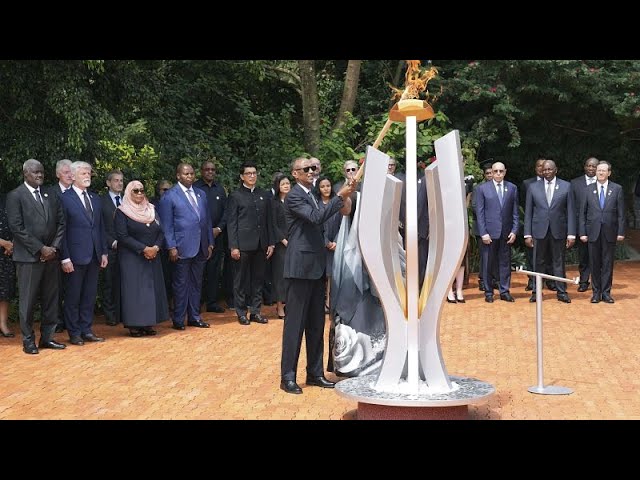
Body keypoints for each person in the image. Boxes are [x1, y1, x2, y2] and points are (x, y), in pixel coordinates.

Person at [280, 157, 353, 394]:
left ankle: (315, 373)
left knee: (315, 324)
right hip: (299, 268)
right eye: (306, 169)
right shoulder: (294, 196)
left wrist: (345, 194)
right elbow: (315, 217)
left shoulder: (311, 194)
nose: (312, 172)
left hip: (316, 268)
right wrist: (339, 195)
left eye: (314, 168)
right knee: (294, 326)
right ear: (295, 174)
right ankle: (288, 377)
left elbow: (325, 216)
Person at [6, 159, 66, 353]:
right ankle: (28, 340)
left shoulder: (51, 194)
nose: (39, 175)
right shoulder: (16, 195)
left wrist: (53, 248)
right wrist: (41, 249)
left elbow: (61, 223)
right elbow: (17, 228)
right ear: (25, 174)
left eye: (41, 172)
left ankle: (47, 338)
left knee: (51, 300)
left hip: (51, 257)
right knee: (28, 301)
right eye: (35, 173)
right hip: (28, 258)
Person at [158, 163, 214, 330]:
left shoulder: (201, 194)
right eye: (186, 173)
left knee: (196, 283)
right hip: (181, 247)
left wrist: (210, 242)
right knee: (181, 284)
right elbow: (166, 225)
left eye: (191, 173)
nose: (190, 176)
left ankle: (194, 317)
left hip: (201, 245)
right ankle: (178, 318)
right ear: (178, 176)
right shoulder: (170, 196)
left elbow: (207, 220)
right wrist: (171, 247)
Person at [60, 161, 108, 345]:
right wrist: (65, 257)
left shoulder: (95, 198)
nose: (87, 176)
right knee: (73, 296)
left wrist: (103, 252)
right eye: (83, 173)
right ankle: (74, 332)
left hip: (94, 255)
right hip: (74, 256)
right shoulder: (64, 198)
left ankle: (86, 329)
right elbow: (62, 231)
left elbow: (100, 227)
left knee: (89, 295)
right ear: (72, 176)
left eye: (89, 173)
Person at [115, 181, 169, 335]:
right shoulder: (122, 212)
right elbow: (122, 236)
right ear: (128, 193)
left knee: (150, 290)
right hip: (132, 257)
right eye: (135, 191)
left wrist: (156, 248)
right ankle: (134, 325)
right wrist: (143, 249)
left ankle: (148, 323)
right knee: (135, 291)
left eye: (141, 191)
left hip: (152, 256)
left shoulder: (151, 209)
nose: (139, 194)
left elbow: (161, 231)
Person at [226, 162, 275, 325]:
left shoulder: (264, 195)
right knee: (240, 280)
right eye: (248, 173)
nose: (252, 176)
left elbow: (269, 220)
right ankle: (241, 312)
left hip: (261, 243)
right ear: (242, 177)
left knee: (258, 279)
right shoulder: (235, 196)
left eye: (254, 173)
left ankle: (255, 311)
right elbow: (232, 222)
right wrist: (233, 246)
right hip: (242, 244)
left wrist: (271, 243)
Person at [524, 159, 575, 303]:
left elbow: (571, 211)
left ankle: (561, 292)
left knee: (558, 262)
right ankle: (536, 291)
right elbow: (528, 212)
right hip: (538, 230)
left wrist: (571, 234)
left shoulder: (566, 186)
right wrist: (527, 233)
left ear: (555, 170)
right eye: (544, 169)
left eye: (549, 169)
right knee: (537, 262)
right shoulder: (533, 187)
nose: (546, 172)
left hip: (558, 230)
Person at [579, 161, 625, 303]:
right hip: (592, 232)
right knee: (594, 263)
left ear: (609, 173)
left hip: (610, 232)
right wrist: (582, 232)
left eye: (603, 171)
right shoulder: (588, 189)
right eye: (599, 170)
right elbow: (582, 213)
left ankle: (606, 293)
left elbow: (621, 214)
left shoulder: (617, 189)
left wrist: (621, 232)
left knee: (607, 263)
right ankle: (595, 292)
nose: (600, 173)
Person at [474, 161, 519, 303]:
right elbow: (479, 213)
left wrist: (514, 230)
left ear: (505, 172)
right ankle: (488, 292)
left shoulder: (512, 188)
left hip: (506, 233)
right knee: (488, 263)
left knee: (505, 263)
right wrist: (483, 233)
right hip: (489, 233)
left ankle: (504, 291)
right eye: (495, 171)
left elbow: (515, 212)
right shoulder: (482, 189)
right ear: (491, 173)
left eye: (501, 171)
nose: (498, 174)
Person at [193, 160, 228, 313]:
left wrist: (219, 228)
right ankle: (197, 302)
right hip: (199, 237)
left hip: (217, 235)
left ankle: (212, 302)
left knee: (214, 270)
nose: (210, 172)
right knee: (199, 270)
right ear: (201, 171)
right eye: (207, 169)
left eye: (213, 169)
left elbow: (226, 212)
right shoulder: (194, 188)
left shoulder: (220, 189)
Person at [45, 159, 73, 333]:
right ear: (57, 175)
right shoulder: (50, 193)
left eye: (72, 172)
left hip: (76, 247)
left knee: (73, 288)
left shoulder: (80, 193)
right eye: (66, 172)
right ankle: (56, 321)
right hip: (55, 247)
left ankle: (71, 320)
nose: (70, 175)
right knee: (55, 289)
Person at [570, 157, 599, 292]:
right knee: (584, 256)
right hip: (582, 226)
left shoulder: (603, 182)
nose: (591, 168)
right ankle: (583, 281)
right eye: (589, 166)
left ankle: (597, 282)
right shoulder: (575, 184)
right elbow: (572, 207)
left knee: (599, 256)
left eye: (594, 166)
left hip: (599, 226)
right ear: (585, 167)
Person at [100, 170, 124, 326]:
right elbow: (99, 227)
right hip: (109, 248)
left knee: (123, 282)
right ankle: (110, 314)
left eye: (121, 180)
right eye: (116, 180)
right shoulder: (100, 202)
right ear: (108, 183)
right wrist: (113, 242)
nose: (120, 183)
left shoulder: (128, 200)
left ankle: (123, 313)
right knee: (109, 282)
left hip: (127, 249)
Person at [270, 173, 290, 319]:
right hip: (281, 244)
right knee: (280, 276)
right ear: (278, 186)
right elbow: (273, 224)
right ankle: (279, 306)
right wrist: (283, 240)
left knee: (292, 275)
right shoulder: (274, 203)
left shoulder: (294, 201)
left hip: (295, 242)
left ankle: (290, 304)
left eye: (288, 183)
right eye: (283, 184)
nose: (286, 186)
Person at [151, 179, 174, 305]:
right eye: (164, 189)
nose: (167, 192)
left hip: (171, 245)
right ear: (158, 190)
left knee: (171, 276)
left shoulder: (174, 202)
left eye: (169, 189)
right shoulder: (151, 204)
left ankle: (170, 303)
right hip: (156, 246)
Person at [0, 193, 16, 338]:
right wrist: (3, 243)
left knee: (5, 291)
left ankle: (3, 324)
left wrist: (11, 244)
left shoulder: (6, 200)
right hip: (4, 246)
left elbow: (17, 223)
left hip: (6, 254)